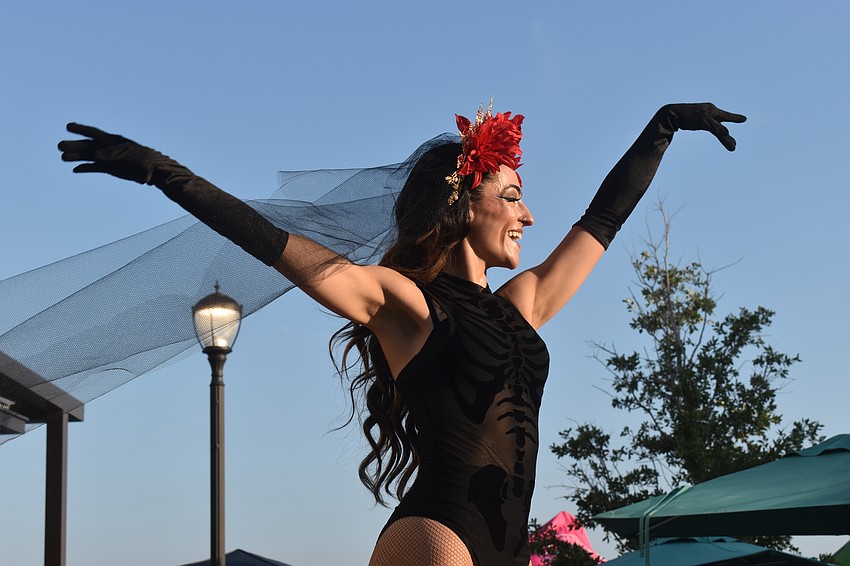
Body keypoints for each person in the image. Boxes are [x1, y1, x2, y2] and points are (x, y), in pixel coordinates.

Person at [59, 101, 745, 566]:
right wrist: (169, 176)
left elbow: (601, 221)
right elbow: (279, 246)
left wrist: (661, 127)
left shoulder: (524, 303)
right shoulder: (404, 304)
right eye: (510, 196)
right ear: (461, 201)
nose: (528, 215)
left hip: (503, 543)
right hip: (439, 533)